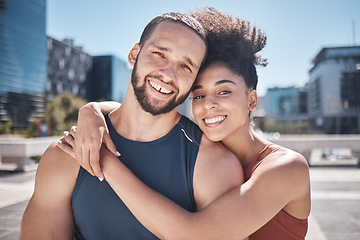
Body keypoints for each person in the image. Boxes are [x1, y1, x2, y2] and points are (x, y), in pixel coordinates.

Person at [59, 8, 311, 240]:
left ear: (252, 99)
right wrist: (91, 110)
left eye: (224, 92)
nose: (208, 104)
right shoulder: (207, 156)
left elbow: (193, 233)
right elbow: (129, 110)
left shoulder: (287, 168)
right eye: (199, 95)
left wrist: (104, 161)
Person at [20, 11, 244, 239]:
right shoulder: (66, 154)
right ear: (134, 54)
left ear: (194, 80)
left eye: (185, 66)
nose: (167, 74)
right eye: (159, 54)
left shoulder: (215, 166)